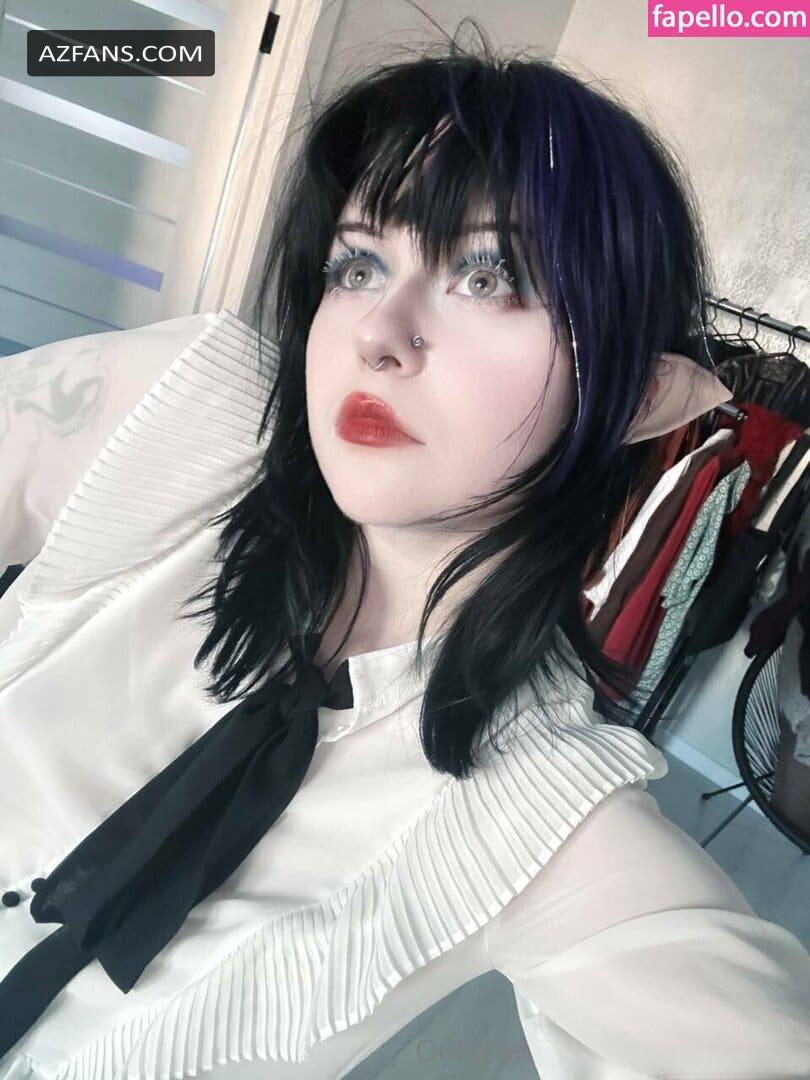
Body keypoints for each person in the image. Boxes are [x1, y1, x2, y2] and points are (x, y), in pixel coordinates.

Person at [1, 29, 809, 1080]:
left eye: (490, 276)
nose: (380, 330)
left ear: (635, 396)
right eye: (357, 264)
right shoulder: (184, 416)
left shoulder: (542, 815)